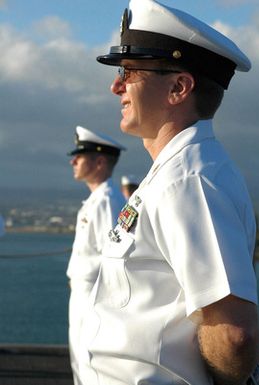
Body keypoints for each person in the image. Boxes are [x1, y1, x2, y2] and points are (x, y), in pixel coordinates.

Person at [79, 1, 259, 384]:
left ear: (179, 87)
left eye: (129, 72)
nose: (116, 87)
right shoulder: (175, 174)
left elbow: (233, 335)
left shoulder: (188, 180)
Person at [66, 125, 126, 385]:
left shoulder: (106, 201)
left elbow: (113, 257)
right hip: (84, 294)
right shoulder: (97, 200)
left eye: (79, 156)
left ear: (100, 162)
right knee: (81, 362)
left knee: (90, 364)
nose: (73, 161)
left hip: (94, 297)